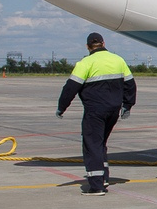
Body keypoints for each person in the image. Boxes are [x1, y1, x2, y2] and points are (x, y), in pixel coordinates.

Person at [56, 32, 136, 195]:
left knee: (92, 145)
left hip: (95, 111)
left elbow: (70, 88)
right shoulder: (118, 60)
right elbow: (130, 85)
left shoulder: (85, 63)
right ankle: (104, 177)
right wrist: (127, 105)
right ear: (103, 43)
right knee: (100, 144)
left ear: (88, 47)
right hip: (113, 110)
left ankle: (96, 185)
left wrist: (61, 107)